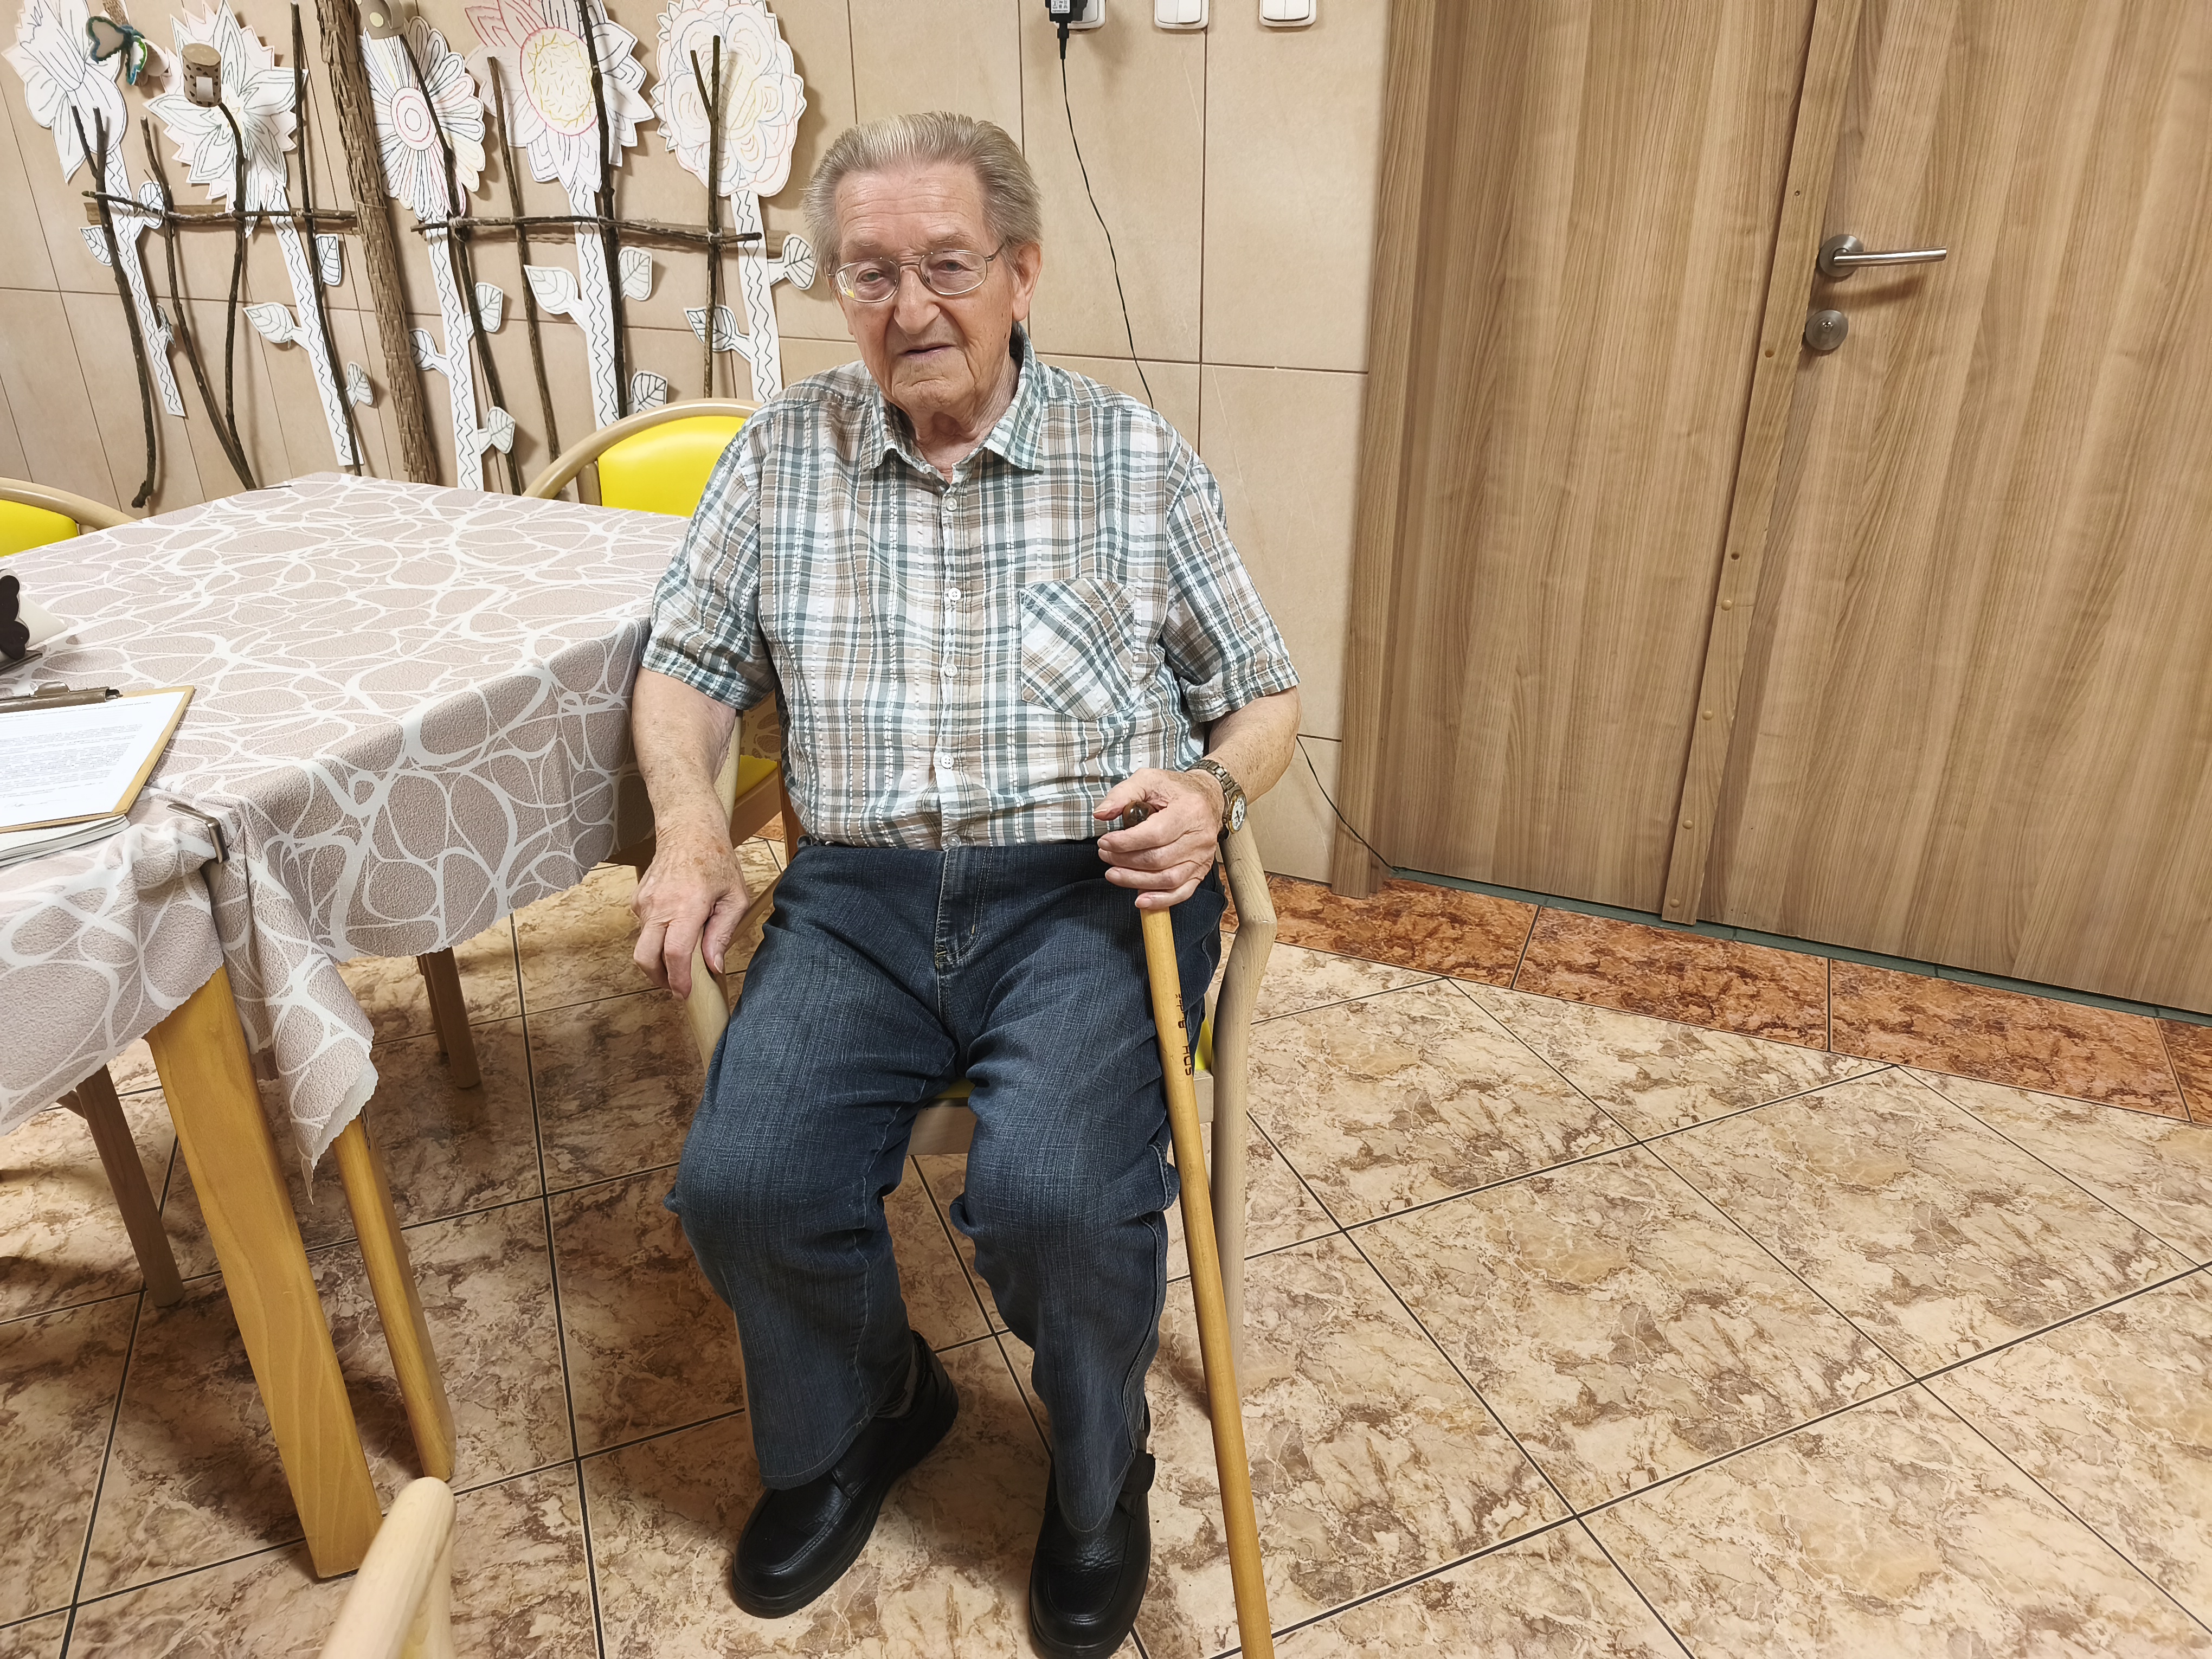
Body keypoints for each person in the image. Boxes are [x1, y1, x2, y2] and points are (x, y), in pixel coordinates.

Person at [630, 110, 1300, 1658]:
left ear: (1020, 271)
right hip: (858, 894)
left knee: (1060, 1200)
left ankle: (1100, 1475)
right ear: (836, 288)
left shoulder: (1130, 459)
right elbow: (686, 667)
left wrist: (1208, 793)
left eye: (947, 264)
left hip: (1084, 894)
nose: (911, 306)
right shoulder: (780, 453)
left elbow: (1261, 694)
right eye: (870, 272)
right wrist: (688, 823)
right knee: (745, 1186)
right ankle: (873, 1402)